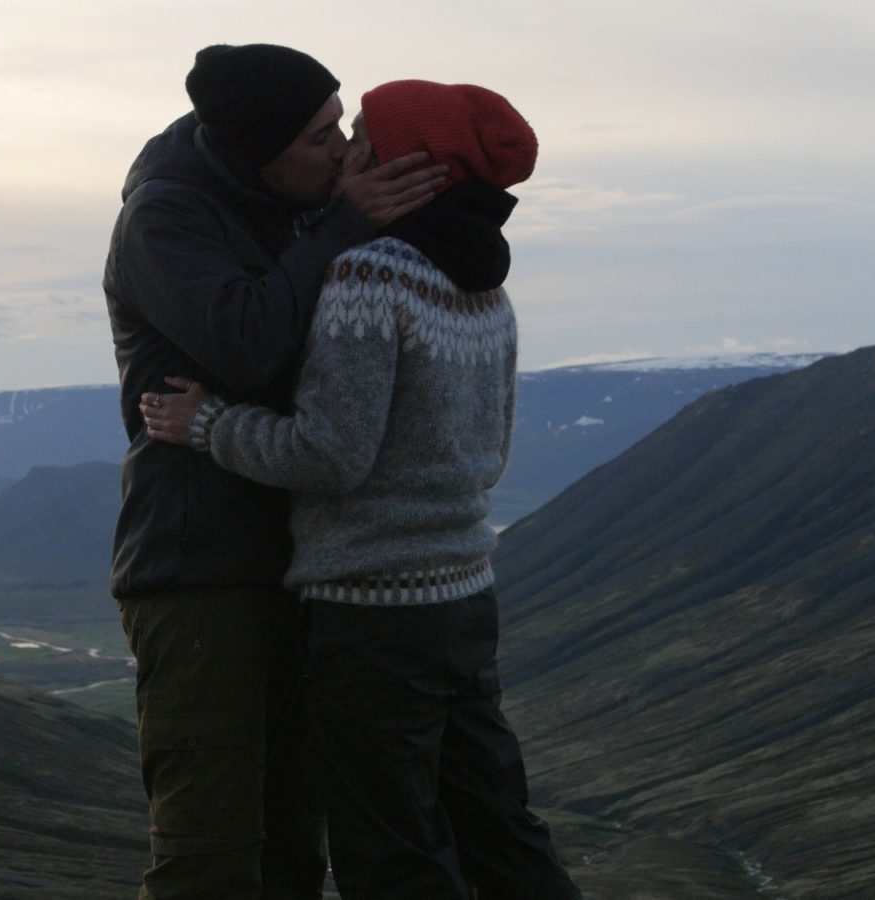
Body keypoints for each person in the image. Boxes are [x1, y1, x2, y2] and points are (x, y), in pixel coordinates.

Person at [139, 80, 583, 899]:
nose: (344, 150)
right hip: (463, 595)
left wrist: (208, 425)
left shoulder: (370, 279)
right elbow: (491, 452)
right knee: (499, 827)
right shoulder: (486, 289)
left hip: (375, 610)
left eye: (360, 135)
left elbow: (329, 456)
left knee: (391, 851)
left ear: (400, 162)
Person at [105, 45, 448, 900]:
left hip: (298, 561)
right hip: (201, 572)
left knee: (294, 848)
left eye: (339, 127)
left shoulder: (281, 200)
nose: (343, 153)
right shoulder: (166, 218)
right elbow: (249, 342)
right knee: (211, 852)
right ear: (259, 150)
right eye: (320, 138)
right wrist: (343, 228)